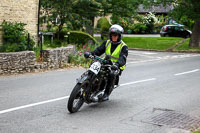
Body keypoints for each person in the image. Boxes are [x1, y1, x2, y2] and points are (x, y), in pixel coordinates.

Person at [86, 24, 128, 102]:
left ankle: (106, 94)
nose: (114, 37)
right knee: (94, 65)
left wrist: (117, 65)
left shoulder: (124, 46)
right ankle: (87, 81)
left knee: (111, 74)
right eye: (112, 35)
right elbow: (98, 50)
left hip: (116, 66)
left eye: (116, 35)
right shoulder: (107, 42)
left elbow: (123, 58)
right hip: (106, 62)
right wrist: (91, 54)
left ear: (119, 36)